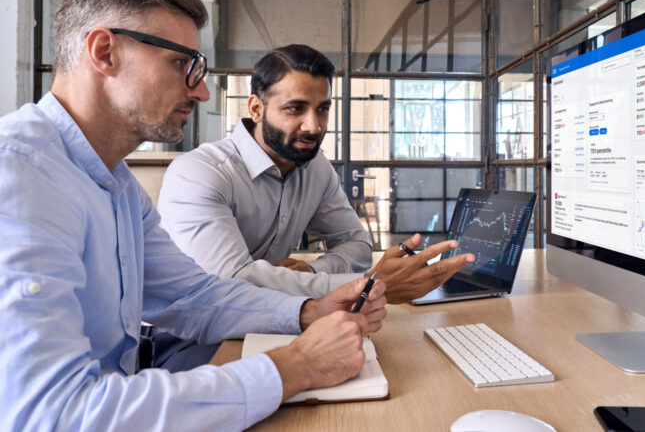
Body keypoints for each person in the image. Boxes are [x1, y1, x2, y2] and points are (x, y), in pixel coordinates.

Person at [0, 0, 387, 431]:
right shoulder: (20, 175)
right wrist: (295, 367)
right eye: (182, 65)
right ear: (105, 52)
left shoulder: (116, 184)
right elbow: (54, 414)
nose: (201, 91)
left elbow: (192, 295)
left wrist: (307, 311)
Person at [158, 45, 476, 302]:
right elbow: (231, 283)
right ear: (255, 108)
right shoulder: (199, 173)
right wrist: (367, 284)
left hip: (270, 318)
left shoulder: (316, 167)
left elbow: (356, 244)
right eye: (295, 109)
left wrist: (313, 273)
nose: (314, 126)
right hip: (185, 336)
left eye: (322, 109)